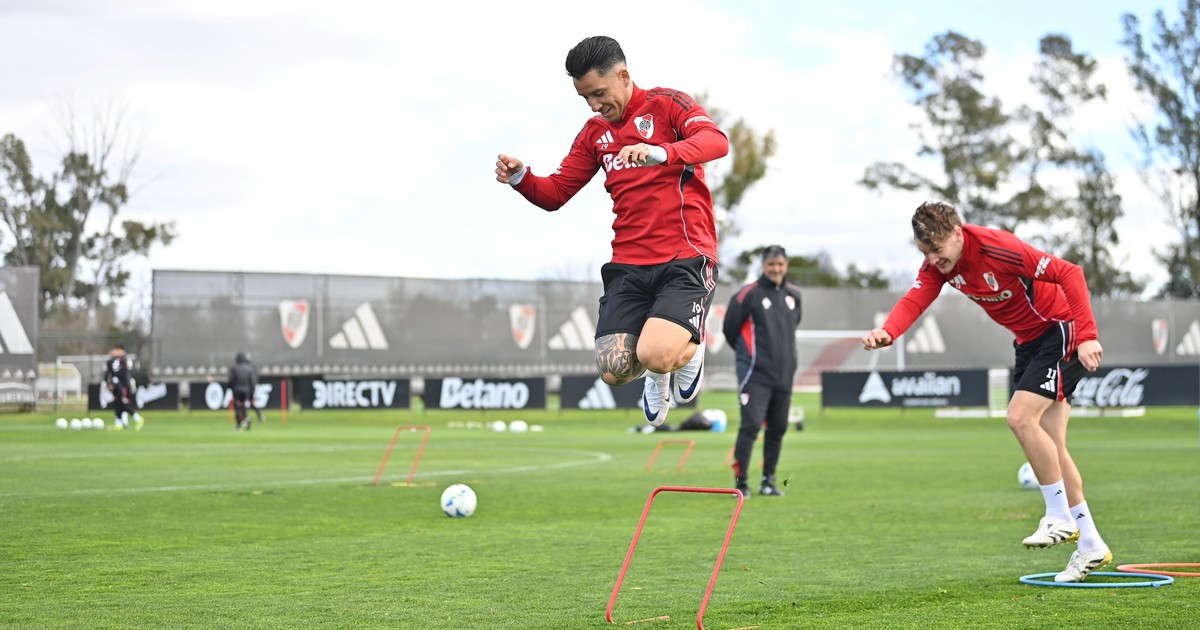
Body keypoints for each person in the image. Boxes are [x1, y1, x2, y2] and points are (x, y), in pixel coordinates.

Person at [861, 201, 1110, 583]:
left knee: (1019, 418)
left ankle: (1059, 516)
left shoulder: (998, 248)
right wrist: (888, 331)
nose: (932, 259)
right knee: (1053, 447)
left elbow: (1069, 272)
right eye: (925, 252)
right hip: (1028, 343)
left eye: (937, 249)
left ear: (957, 234)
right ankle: (1091, 543)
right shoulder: (938, 266)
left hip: (1061, 329)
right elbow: (915, 299)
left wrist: (1088, 335)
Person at [495, 36, 729, 428]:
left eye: (599, 93)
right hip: (629, 264)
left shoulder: (668, 103)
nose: (593, 105)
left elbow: (716, 142)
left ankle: (683, 354)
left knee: (655, 354)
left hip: (684, 256)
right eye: (585, 97)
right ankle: (663, 365)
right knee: (613, 368)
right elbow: (556, 193)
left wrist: (661, 152)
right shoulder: (595, 133)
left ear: (623, 76)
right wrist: (521, 177)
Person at [723, 246, 803, 498]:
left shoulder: (794, 295)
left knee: (778, 428)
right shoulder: (747, 295)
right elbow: (730, 331)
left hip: (784, 375)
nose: (775, 269)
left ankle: (768, 482)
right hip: (754, 375)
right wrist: (749, 358)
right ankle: (741, 483)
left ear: (786, 265)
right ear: (763, 265)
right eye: (771, 264)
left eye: (780, 264)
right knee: (750, 426)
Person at [103, 344, 144, 431]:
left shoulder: (125, 360)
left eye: (116, 350)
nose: (114, 352)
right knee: (117, 404)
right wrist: (110, 383)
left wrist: (116, 383)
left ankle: (138, 418)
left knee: (123, 404)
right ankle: (118, 424)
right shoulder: (114, 361)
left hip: (123, 386)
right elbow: (110, 372)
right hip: (117, 386)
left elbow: (123, 374)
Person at [227, 352, 256, 431]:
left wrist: (229, 387)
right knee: (244, 406)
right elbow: (252, 382)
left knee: (237, 407)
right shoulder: (248, 368)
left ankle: (239, 424)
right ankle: (247, 419)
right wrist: (252, 392)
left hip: (236, 390)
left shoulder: (234, 368)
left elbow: (231, 380)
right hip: (246, 391)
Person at [244, 352, 264, 425]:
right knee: (251, 403)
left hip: (247, 387)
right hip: (252, 387)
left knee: (245, 402)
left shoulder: (246, 367)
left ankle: (247, 419)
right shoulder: (253, 366)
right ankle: (260, 416)